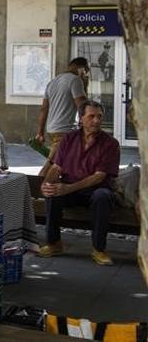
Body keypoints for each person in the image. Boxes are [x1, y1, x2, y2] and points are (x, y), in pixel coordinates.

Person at [38, 100, 121, 266]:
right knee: (53, 192)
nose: (96, 120)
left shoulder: (110, 143)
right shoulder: (68, 139)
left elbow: (99, 176)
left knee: (103, 196)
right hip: (71, 190)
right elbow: (56, 167)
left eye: (99, 117)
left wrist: (68, 188)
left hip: (95, 190)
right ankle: (54, 243)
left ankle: (99, 249)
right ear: (81, 118)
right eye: (91, 116)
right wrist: (46, 184)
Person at [36, 57, 89, 152]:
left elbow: (43, 109)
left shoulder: (52, 82)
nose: (86, 73)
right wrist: (85, 85)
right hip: (66, 129)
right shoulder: (75, 80)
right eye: (86, 70)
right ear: (81, 68)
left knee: (64, 161)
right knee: (57, 164)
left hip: (52, 129)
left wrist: (40, 133)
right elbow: (83, 106)